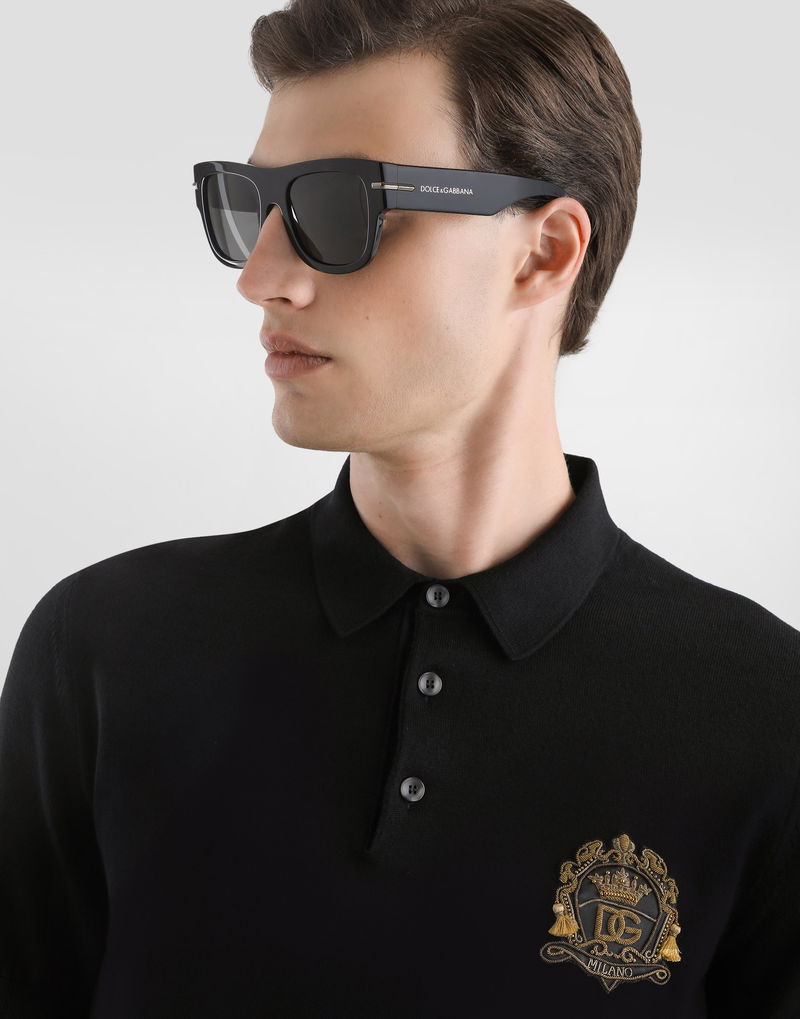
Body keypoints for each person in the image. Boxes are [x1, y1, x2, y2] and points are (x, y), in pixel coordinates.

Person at [2, 0, 798, 1015]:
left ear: (544, 252)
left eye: (342, 208)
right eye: (253, 205)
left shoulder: (766, 716)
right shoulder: (104, 650)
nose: (262, 278)